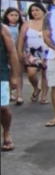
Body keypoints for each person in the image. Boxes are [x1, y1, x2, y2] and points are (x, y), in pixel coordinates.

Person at [18, 3, 49, 105]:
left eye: (37, 10)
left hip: (47, 51)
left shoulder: (49, 23)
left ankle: (44, 97)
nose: (34, 12)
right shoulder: (27, 23)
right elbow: (21, 39)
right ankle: (36, 88)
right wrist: (20, 51)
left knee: (46, 75)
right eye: (32, 10)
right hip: (31, 52)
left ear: (43, 11)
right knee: (31, 74)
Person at [1, 23, 21, 151]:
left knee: (3, 108)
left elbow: (13, 53)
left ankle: (6, 132)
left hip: (1, 72)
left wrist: (14, 76)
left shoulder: (2, 28)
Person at [2, 8, 23, 106]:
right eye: (11, 15)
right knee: (8, 74)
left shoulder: (20, 26)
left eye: (16, 15)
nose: (14, 17)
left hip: (17, 52)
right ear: (6, 16)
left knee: (17, 73)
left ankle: (19, 95)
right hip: (6, 54)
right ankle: (9, 93)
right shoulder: (4, 27)